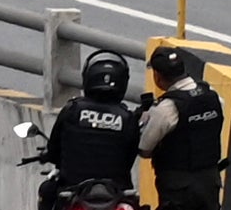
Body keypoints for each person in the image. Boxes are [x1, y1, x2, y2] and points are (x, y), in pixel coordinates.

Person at [35, 51, 165, 209]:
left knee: (47, 191)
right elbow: (130, 156)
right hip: (116, 192)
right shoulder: (127, 118)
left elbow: (55, 148)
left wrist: (48, 155)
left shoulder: (72, 110)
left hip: (73, 189)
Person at [139, 43, 224, 210]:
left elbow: (144, 149)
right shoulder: (212, 96)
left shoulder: (167, 108)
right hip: (209, 182)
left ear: (157, 76)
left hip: (179, 189)